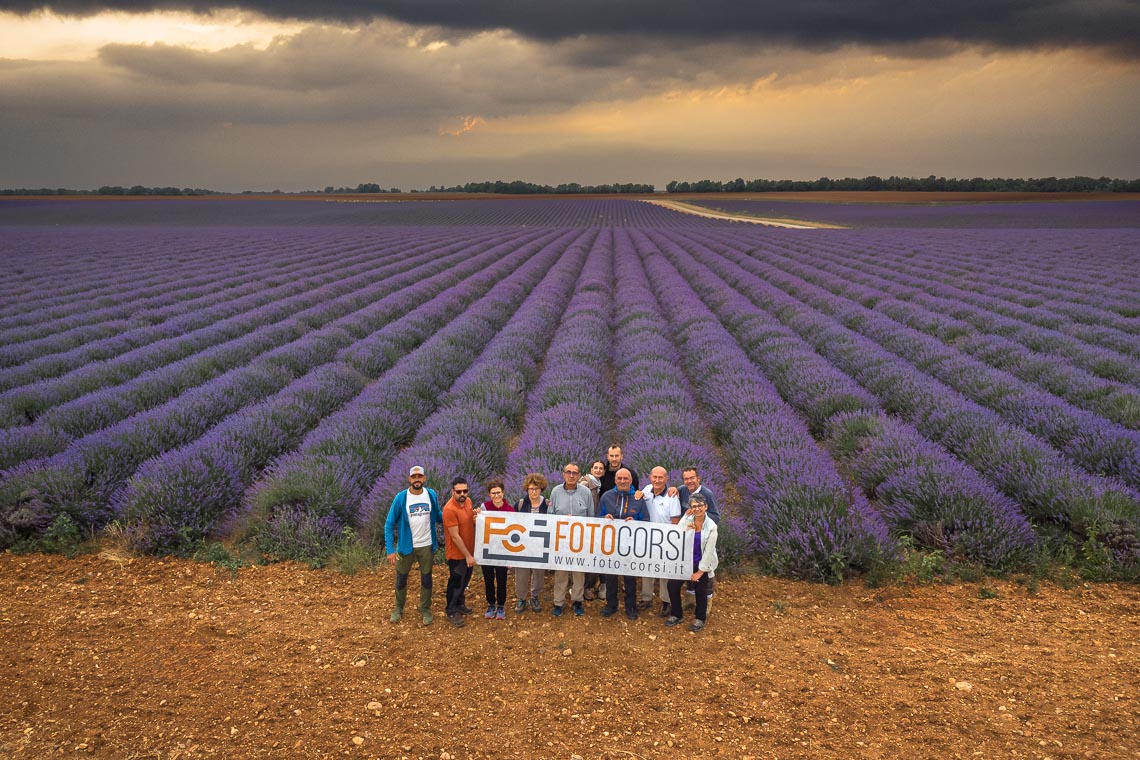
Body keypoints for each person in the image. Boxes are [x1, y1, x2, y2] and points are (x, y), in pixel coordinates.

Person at [385, 465, 443, 626]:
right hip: (405, 547)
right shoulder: (401, 498)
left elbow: (438, 515)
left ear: (424, 478)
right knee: (401, 578)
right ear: (410, 479)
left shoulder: (431, 495)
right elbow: (389, 524)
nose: (417, 479)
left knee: (426, 578)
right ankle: (398, 608)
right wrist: (390, 550)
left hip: (426, 545)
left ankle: (425, 609)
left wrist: (457, 516)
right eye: (414, 477)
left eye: (420, 476)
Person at [598, 468, 647, 620]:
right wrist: (603, 518)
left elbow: (646, 521)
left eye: (626, 478)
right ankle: (611, 605)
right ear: (615, 480)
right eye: (619, 478)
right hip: (610, 544)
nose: (622, 481)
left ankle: (630, 606)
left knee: (629, 577)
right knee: (610, 576)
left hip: (630, 545)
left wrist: (636, 522)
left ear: (631, 480)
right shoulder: (607, 496)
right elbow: (596, 517)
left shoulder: (638, 499)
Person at [665, 491, 718, 632]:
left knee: (701, 589)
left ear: (706, 506)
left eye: (700, 505)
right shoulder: (687, 518)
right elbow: (676, 535)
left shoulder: (711, 527)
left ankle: (700, 618)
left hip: (702, 562)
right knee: (672, 586)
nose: (697, 509)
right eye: (694, 506)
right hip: (684, 562)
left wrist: (700, 572)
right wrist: (686, 530)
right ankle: (677, 614)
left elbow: (708, 552)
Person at [548, 462, 593, 617]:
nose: (572, 475)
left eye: (575, 473)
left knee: (579, 572)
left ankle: (577, 601)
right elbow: (550, 516)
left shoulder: (586, 493)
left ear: (579, 475)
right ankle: (558, 602)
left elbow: (591, 517)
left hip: (580, 540)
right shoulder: (555, 492)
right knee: (561, 573)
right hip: (561, 541)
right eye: (569, 472)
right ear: (563, 474)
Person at [639, 466, 682, 616]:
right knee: (647, 569)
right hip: (647, 539)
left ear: (666, 479)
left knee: (665, 572)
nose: (657, 480)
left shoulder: (672, 496)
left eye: (661, 477)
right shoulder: (646, 490)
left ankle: (666, 601)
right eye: (654, 477)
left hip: (665, 540)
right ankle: (646, 598)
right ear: (650, 477)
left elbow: (675, 521)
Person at [677, 467, 720, 599]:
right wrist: (671, 489)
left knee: (705, 566)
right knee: (690, 568)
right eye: (686, 479)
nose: (689, 481)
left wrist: (698, 514)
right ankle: (690, 598)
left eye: (692, 478)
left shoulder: (707, 494)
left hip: (702, 535)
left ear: (698, 478)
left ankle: (707, 600)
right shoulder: (682, 490)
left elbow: (716, 517)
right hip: (688, 536)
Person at [442, 477, 479, 628]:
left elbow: (469, 521)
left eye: (465, 491)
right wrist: (468, 555)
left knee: (465, 580)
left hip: (469, 550)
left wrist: (477, 517)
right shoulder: (449, 510)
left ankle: (460, 604)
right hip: (457, 554)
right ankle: (451, 609)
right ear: (452, 492)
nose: (462, 494)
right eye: (459, 492)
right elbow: (455, 536)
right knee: (456, 581)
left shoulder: (468, 502)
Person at [513, 473, 549, 613]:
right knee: (521, 572)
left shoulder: (547, 504)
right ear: (527, 489)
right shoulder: (521, 504)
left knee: (539, 572)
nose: (533, 492)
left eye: (536, 489)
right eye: (531, 489)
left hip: (540, 545)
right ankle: (521, 598)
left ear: (541, 489)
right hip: (523, 545)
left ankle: (534, 596)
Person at [480, 479, 514, 620]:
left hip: (502, 550)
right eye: (493, 493)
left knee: (502, 579)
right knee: (488, 578)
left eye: (498, 492)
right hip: (487, 549)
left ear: (503, 493)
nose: (496, 496)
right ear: (489, 494)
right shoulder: (484, 508)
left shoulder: (510, 510)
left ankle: (501, 605)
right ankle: (490, 604)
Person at [580, 460, 606, 601]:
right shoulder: (585, 484)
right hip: (586, 525)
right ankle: (584, 587)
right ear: (591, 469)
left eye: (600, 468)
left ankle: (588, 586)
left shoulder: (597, 485)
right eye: (595, 468)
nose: (598, 470)